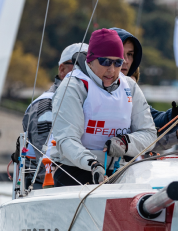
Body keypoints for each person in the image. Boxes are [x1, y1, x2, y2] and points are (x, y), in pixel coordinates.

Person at [51, 29, 156, 186]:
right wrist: (92, 163)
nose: (111, 70)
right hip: (75, 170)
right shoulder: (73, 87)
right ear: (90, 61)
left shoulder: (130, 86)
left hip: (118, 171)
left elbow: (149, 134)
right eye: (105, 62)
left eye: (118, 63)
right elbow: (66, 139)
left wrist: (125, 143)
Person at [110, 27, 178, 153]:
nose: (126, 60)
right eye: (120, 53)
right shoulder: (87, 90)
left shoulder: (130, 92)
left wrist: (174, 120)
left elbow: (149, 122)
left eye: (130, 54)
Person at [15, 43, 86, 188]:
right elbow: (46, 161)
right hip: (46, 189)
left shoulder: (88, 101)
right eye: (80, 66)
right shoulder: (46, 105)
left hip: (81, 186)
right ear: (62, 69)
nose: (86, 72)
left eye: (91, 66)